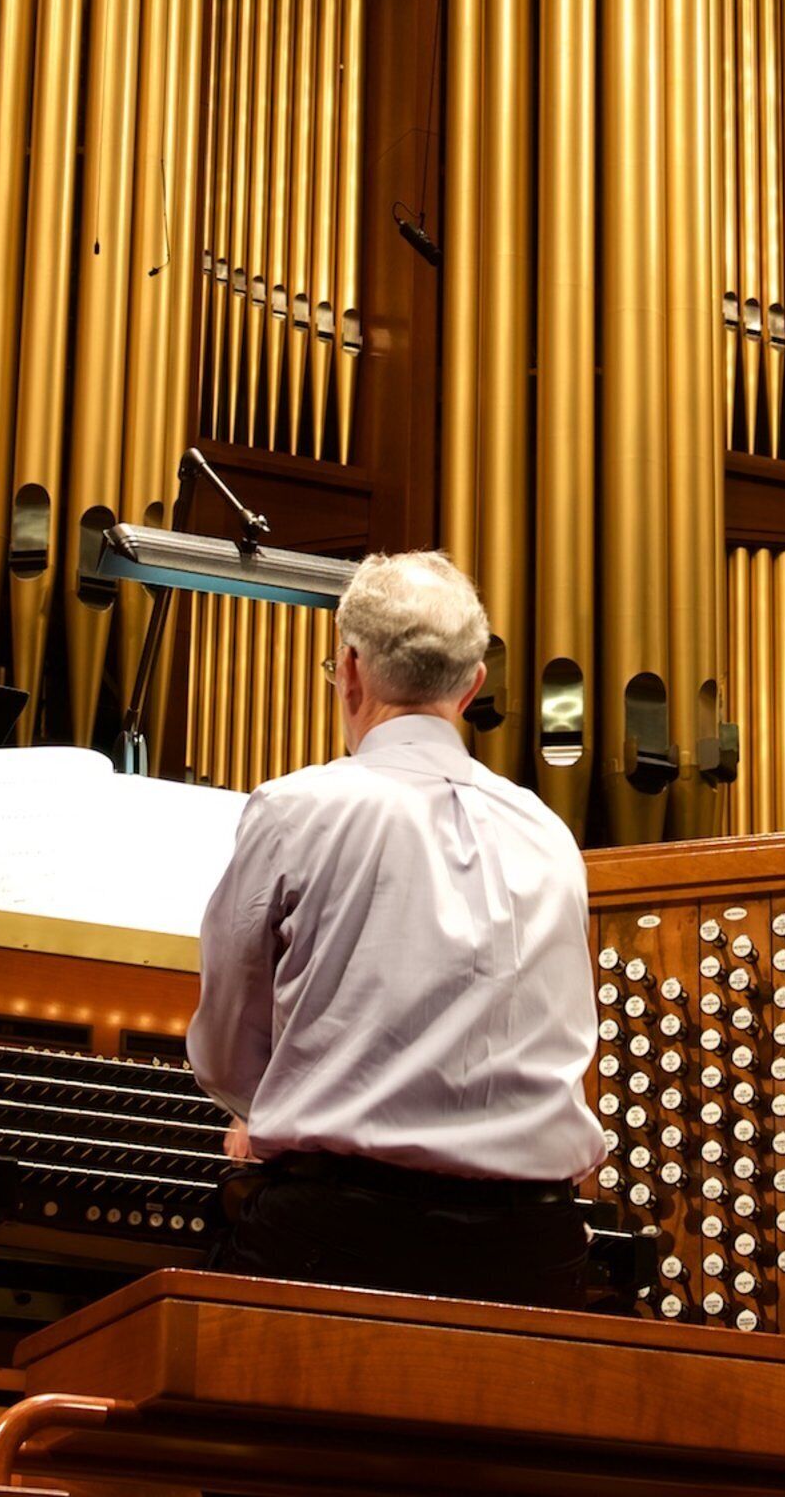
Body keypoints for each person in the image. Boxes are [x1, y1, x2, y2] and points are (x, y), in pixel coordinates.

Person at [189, 550, 607, 1307]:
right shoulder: (551, 834)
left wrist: (276, 1113)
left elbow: (225, 1050)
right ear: (472, 686)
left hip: (338, 1238)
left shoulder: (297, 810)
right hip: (533, 1260)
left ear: (349, 669)